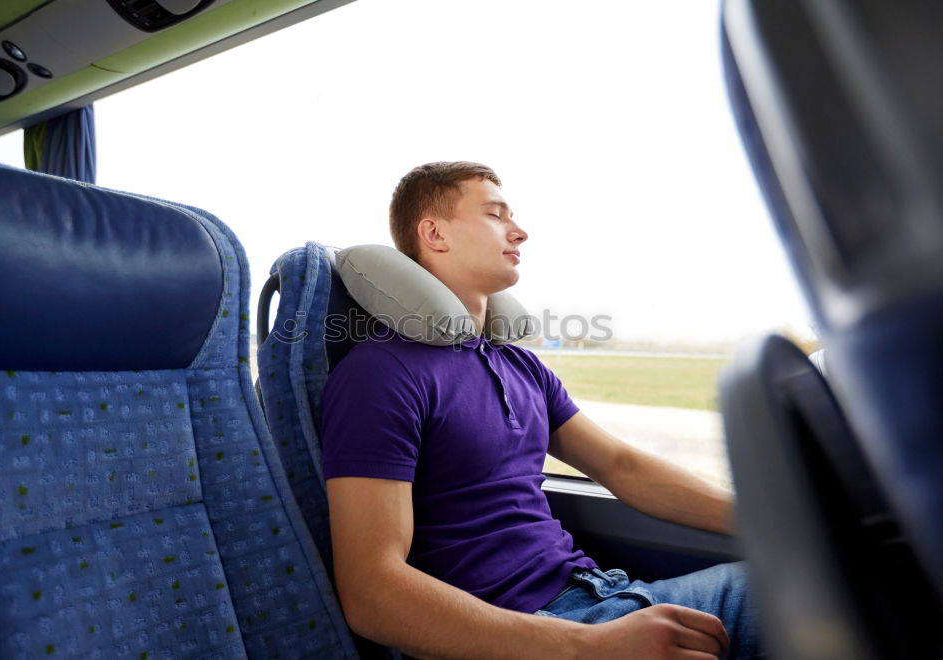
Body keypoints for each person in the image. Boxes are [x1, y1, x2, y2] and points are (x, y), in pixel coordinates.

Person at [321, 161, 759, 659]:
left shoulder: (520, 367)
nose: (519, 232)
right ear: (434, 233)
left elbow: (622, 467)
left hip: (601, 597)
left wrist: (767, 520)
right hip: (533, 629)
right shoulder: (382, 373)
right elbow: (371, 593)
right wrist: (590, 647)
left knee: (824, 569)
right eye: (494, 214)